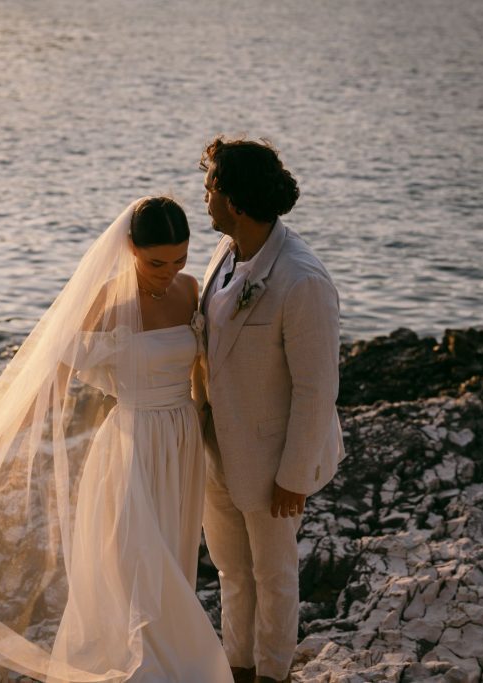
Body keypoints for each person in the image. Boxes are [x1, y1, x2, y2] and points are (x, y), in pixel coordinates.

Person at [0, 197, 233, 682]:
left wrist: (207, 421)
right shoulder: (107, 302)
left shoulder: (189, 288)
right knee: (138, 558)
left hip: (181, 441)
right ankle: (146, 666)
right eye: (156, 262)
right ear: (131, 248)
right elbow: (54, 369)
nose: (168, 272)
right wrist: (2, 441)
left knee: (173, 555)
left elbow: (200, 367)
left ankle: (168, 658)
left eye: (178, 259)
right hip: (132, 443)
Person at [197, 138, 345, 683]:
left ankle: (274, 675)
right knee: (232, 572)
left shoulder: (302, 279)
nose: (204, 198)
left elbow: (317, 389)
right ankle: (238, 668)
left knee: (274, 575)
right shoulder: (226, 251)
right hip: (217, 447)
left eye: (210, 187)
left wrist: (293, 476)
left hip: (271, 459)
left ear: (234, 200)